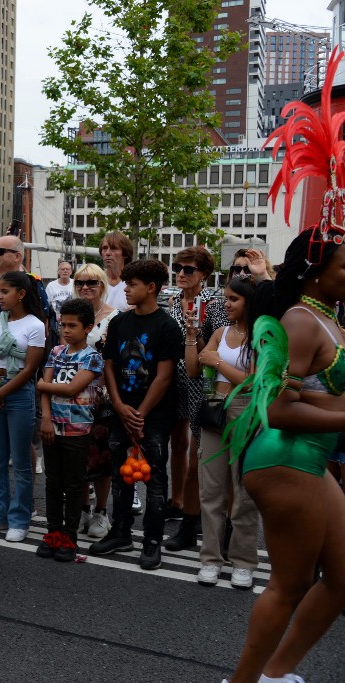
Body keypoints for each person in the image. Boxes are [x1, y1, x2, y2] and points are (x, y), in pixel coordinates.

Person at [221, 60, 345, 680]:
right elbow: (275, 407)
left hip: (312, 458)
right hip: (284, 454)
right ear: (319, 271)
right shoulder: (300, 319)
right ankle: (245, 681)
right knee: (290, 581)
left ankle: (277, 675)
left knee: (342, 580)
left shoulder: (328, 317)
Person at [90, 259, 182, 570]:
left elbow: (164, 376)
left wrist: (139, 415)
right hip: (122, 410)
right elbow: (110, 364)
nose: (126, 290)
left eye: (132, 285)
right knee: (120, 473)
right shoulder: (119, 323)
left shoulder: (168, 326)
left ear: (151, 288)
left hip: (153, 416)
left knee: (153, 477)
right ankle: (120, 531)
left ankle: (152, 541)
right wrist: (118, 404)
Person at [184, 274, 260, 589]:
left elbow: (254, 381)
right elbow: (193, 369)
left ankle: (243, 562)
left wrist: (217, 362)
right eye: (226, 298)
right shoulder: (220, 331)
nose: (225, 304)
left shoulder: (261, 337)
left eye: (233, 299)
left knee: (243, 493)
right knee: (211, 491)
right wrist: (191, 337)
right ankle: (210, 559)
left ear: (249, 303)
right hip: (215, 409)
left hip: (245, 412)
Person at [163, 246, 228, 552]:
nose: (181, 273)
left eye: (188, 269)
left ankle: (196, 520)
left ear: (204, 274)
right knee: (177, 444)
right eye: (178, 267)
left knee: (198, 456)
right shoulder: (174, 300)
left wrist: (195, 336)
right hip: (173, 381)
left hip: (201, 384)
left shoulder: (214, 304)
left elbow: (218, 349)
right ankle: (180, 507)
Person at [0, 271, 46, 541]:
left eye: (5, 292)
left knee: (21, 463)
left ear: (21, 294)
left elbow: (30, 370)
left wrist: (1, 392)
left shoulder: (35, 325)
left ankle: (19, 518)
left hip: (19, 395)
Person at [36, 298, 104, 561]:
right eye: (62, 324)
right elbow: (49, 386)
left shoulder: (93, 358)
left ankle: (69, 535)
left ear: (88, 328)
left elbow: (72, 388)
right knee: (53, 482)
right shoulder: (55, 352)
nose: (65, 330)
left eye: (72, 325)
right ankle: (53, 532)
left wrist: (43, 385)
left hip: (78, 430)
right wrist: (45, 417)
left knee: (74, 485)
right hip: (52, 426)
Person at [71, 263, 121, 535]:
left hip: (102, 397)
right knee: (78, 455)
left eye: (92, 282)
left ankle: (101, 512)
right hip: (73, 395)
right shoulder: (69, 312)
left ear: (103, 285)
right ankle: (82, 509)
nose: (85, 287)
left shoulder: (115, 317)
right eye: (80, 283)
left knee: (102, 459)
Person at [99, 231, 133, 312]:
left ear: (125, 253)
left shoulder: (134, 283)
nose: (107, 253)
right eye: (104, 248)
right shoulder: (94, 281)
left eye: (114, 248)